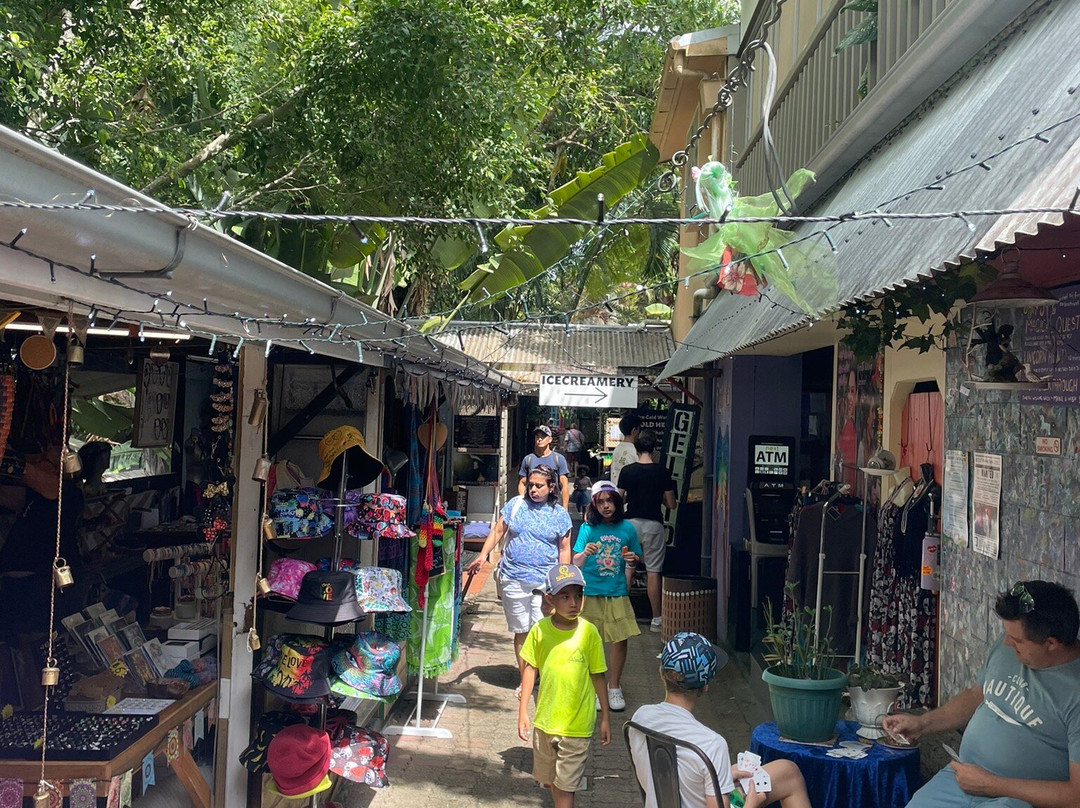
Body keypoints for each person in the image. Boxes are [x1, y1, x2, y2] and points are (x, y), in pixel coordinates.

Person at [882, 580, 1080, 808]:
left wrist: (992, 785)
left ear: (1051, 643)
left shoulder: (1074, 691)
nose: (1006, 642)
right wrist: (923, 723)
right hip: (963, 775)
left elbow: (1076, 796)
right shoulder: (1010, 647)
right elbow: (977, 694)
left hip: (1017, 799)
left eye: (1016, 641)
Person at [629, 632, 811, 808]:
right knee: (790, 778)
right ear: (705, 686)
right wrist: (751, 805)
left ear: (661, 674)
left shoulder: (640, 717)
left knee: (788, 771)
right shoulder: (711, 744)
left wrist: (719, 776)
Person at [466, 465, 573, 698]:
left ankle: (546, 676)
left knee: (541, 629)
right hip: (513, 577)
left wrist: (563, 579)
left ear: (551, 487)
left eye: (538, 486)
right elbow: (497, 531)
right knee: (521, 630)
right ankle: (527, 679)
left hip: (544, 582)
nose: (532, 490)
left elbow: (564, 548)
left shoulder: (559, 514)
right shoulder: (515, 505)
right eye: (530, 485)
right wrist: (483, 555)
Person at [518, 563, 610, 808]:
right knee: (552, 782)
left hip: (577, 726)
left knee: (567, 786)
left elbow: (598, 675)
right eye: (565, 597)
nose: (573, 603)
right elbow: (530, 668)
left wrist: (605, 718)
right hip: (546, 721)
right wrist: (523, 712)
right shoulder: (540, 630)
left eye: (578, 596)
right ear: (550, 599)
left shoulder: (589, 632)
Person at [571, 480, 642, 712]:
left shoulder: (628, 529)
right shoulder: (587, 528)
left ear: (617, 502)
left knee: (620, 639)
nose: (606, 506)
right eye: (600, 502)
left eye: (610, 500)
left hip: (616, 592)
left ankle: (614, 687)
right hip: (590, 591)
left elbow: (637, 558)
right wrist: (584, 553)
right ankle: (592, 686)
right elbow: (576, 561)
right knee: (590, 641)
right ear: (594, 505)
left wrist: (632, 559)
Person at [618, 429, 677, 632]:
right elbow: (671, 504)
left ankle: (621, 615)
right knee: (653, 572)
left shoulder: (627, 471)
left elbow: (619, 499)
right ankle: (656, 620)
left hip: (630, 524)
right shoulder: (662, 472)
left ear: (636, 447)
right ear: (654, 449)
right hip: (653, 525)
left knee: (628, 569)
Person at [519, 425, 571, 510]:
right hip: (532, 506)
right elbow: (522, 483)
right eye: (537, 436)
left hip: (553, 505)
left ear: (550, 439)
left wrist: (565, 508)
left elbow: (564, 485)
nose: (539, 439)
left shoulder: (558, 459)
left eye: (543, 436)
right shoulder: (528, 459)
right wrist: (523, 501)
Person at [609, 412, 640, 488]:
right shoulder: (635, 450)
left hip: (616, 489)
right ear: (634, 431)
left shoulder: (617, 448)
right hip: (629, 491)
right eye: (639, 429)